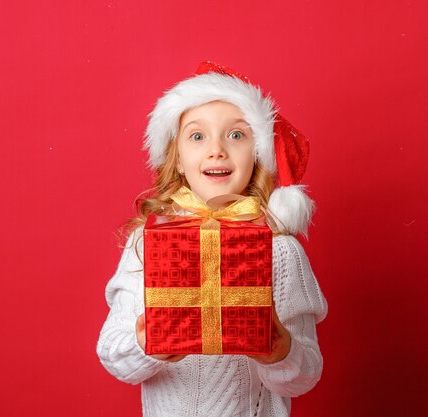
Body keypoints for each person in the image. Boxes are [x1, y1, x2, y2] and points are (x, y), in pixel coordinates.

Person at [96, 62, 328, 417]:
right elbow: (113, 353)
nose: (217, 149)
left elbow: (305, 375)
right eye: (197, 136)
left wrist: (281, 350)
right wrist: (147, 344)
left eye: (236, 135)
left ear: (258, 155)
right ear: (177, 160)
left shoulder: (280, 249)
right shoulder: (146, 243)